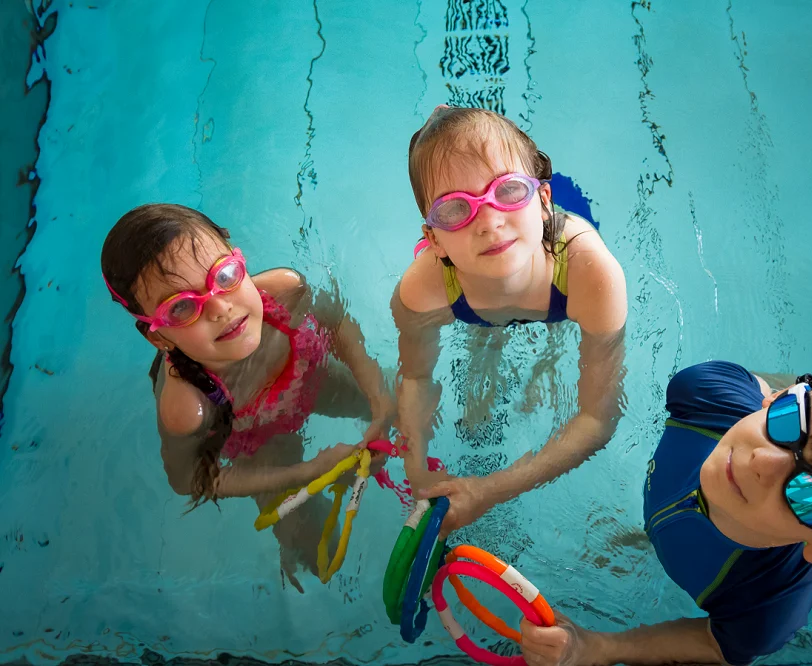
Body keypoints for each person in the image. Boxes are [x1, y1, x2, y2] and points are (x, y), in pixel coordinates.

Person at [520, 360, 812, 665]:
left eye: (811, 497)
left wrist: (598, 647)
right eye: (788, 421)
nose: (761, 461)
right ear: (777, 400)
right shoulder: (707, 394)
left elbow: (713, 642)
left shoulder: (767, 605)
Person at [101, 203, 393, 590]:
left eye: (223, 275)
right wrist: (309, 472)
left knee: (401, 402)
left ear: (238, 259)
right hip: (260, 436)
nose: (221, 307)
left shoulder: (287, 291)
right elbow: (189, 481)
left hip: (313, 380)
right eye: (183, 307)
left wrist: (378, 398)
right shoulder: (187, 407)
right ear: (157, 336)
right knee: (304, 538)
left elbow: (336, 324)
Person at [392, 105, 628, 534]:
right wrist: (418, 474)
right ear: (434, 241)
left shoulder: (591, 272)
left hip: (554, 265)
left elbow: (597, 418)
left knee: (549, 351)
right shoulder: (422, 289)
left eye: (507, 191)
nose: (490, 222)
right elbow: (415, 381)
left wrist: (489, 490)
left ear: (541, 200)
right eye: (454, 210)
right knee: (485, 348)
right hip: (483, 282)